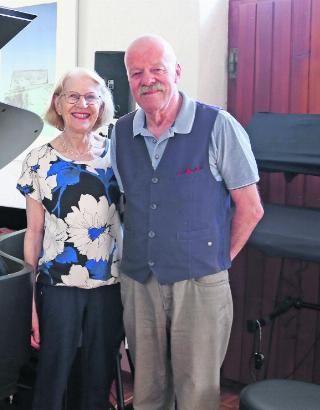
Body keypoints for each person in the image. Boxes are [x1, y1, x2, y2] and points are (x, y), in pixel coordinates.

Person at [110, 34, 265, 410]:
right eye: (136, 72)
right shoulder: (120, 133)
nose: (148, 79)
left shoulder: (219, 125)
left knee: (196, 394)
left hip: (200, 282)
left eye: (157, 69)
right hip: (140, 282)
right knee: (146, 392)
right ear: (129, 80)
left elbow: (251, 208)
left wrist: (216, 260)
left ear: (176, 72)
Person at [16, 67, 124, 410]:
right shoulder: (38, 161)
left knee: (97, 383)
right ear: (58, 104)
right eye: (73, 96)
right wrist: (30, 301)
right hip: (58, 288)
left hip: (110, 287)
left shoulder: (117, 154)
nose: (83, 104)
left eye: (91, 97)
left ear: (101, 105)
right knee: (52, 381)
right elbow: (33, 234)